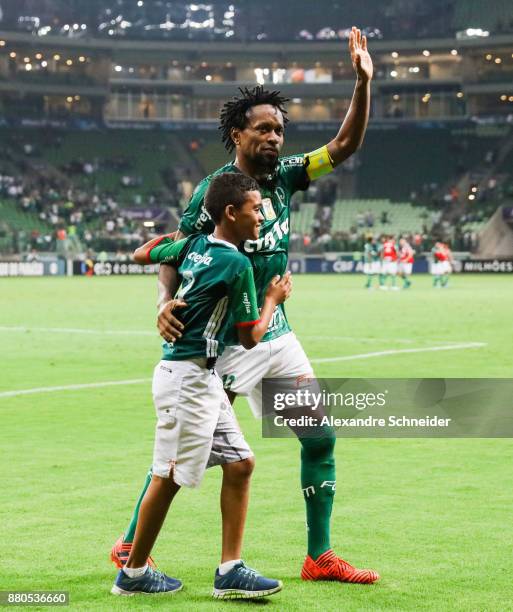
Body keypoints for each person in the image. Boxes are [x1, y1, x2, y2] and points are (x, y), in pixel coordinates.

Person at [113, 26, 379, 585]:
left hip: (274, 333)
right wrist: (164, 299)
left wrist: (362, 82)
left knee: (319, 435)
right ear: (238, 133)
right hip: (229, 343)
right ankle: (131, 546)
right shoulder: (216, 190)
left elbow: (345, 146)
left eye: (280, 129)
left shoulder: (286, 178)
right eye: (264, 128)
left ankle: (318, 556)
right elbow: (175, 248)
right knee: (193, 443)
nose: (276, 138)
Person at [112, 173, 290, 598]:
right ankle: (132, 573)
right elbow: (250, 337)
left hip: (201, 377)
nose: (262, 218)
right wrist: (273, 299)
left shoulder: (194, 245)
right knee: (168, 475)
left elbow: (143, 253)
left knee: (241, 463)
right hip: (186, 380)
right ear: (231, 212)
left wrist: (166, 290)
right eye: (254, 209)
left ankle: (230, 569)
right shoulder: (238, 264)